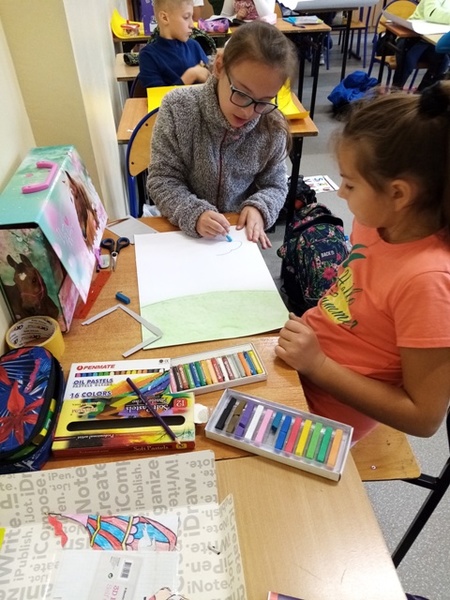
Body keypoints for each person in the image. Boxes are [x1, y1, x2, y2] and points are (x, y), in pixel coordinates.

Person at [276, 82, 450, 443]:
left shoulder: (428, 281)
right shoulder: (375, 223)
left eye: (350, 184)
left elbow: (423, 418)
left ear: (398, 193)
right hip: (303, 363)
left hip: (327, 413)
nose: (340, 193)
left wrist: (318, 365)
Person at [147, 21, 298, 249]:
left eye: (263, 101)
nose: (248, 112)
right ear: (219, 67)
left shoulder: (272, 125)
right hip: (181, 234)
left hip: (234, 238)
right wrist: (193, 213)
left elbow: (275, 185)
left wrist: (259, 207)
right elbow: (162, 179)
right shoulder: (178, 108)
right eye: (242, 93)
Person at [138, 0, 211, 88]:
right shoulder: (148, 56)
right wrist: (190, 76)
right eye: (186, 17)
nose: (192, 25)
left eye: (192, 17)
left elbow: (211, 83)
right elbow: (158, 95)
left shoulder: (194, 46)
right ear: (164, 18)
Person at [392, 0, 450, 91]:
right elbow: (432, 13)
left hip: (433, 40)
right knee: (408, 60)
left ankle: (423, 94)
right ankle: (395, 93)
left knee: (443, 61)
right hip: (413, 36)